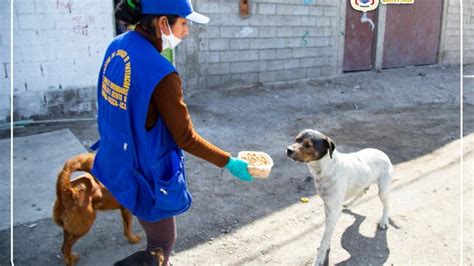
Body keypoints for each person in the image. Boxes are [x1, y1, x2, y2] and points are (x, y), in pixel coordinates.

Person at [90, 0, 255, 264]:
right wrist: (228, 162)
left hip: (114, 162)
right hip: (142, 172)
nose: (187, 31)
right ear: (163, 23)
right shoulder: (163, 75)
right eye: (184, 24)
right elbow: (185, 137)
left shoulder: (117, 45)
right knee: (162, 241)